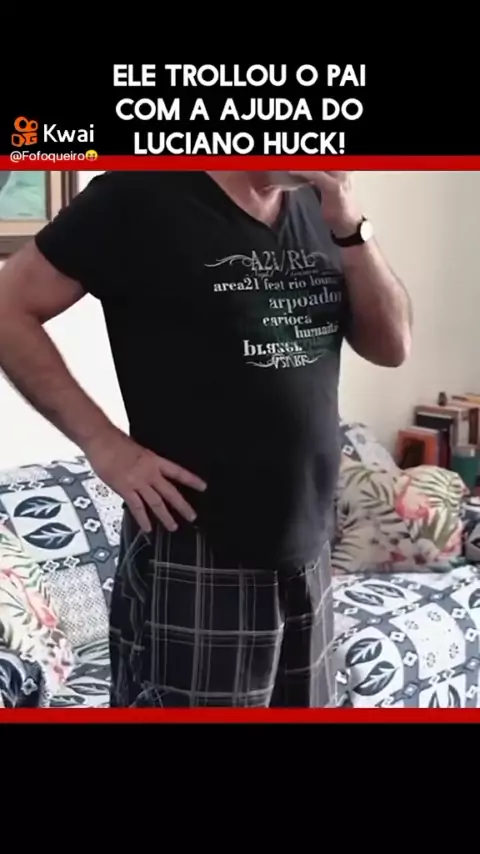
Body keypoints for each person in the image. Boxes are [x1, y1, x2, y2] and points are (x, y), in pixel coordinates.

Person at [0, 170, 412, 707]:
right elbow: (8, 307)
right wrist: (103, 444)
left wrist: (352, 229)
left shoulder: (321, 204)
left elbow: (392, 347)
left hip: (309, 546)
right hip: (197, 544)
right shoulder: (136, 196)